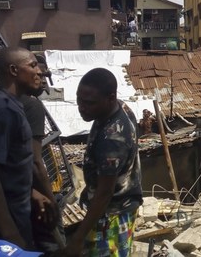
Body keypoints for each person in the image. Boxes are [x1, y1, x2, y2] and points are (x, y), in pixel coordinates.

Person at [62, 68, 142, 257]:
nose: (82, 107)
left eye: (89, 103)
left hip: (112, 215)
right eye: (79, 100)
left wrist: (78, 238)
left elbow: (104, 193)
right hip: (119, 205)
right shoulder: (119, 108)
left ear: (111, 98)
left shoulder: (112, 140)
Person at [0, 47, 42, 249]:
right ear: (14, 70)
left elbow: (11, 165)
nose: (39, 71)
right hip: (3, 225)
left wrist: (33, 192)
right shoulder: (2, 111)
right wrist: (10, 234)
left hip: (17, 213)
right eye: (32, 65)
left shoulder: (12, 106)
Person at [18, 55, 62, 253]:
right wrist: (50, 201)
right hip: (34, 201)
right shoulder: (32, 106)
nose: (42, 75)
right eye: (34, 67)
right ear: (13, 71)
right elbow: (36, 162)